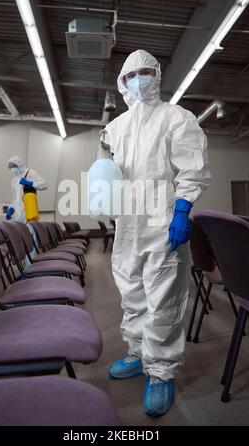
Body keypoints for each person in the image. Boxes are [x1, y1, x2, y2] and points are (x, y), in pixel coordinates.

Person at [104, 50, 211, 417]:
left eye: (145, 72)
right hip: (127, 225)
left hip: (163, 222)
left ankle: (161, 372)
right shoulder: (115, 127)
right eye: (130, 74)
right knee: (131, 294)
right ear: (122, 82)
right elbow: (113, 171)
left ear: (158, 75)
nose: (138, 79)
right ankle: (137, 353)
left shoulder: (177, 118)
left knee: (163, 299)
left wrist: (182, 209)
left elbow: (192, 170)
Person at [6, 156, 47, 224]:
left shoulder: (30, 173)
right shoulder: (14, 180)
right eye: (10, 167)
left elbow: (44, 185)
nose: (12, 169)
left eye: (13, 166)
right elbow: (15, 198)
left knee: (31, 231)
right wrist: (12, 207)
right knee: (21, 233)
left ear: (19, 164)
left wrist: (30, 183)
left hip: (30, 210)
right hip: (18, 215)